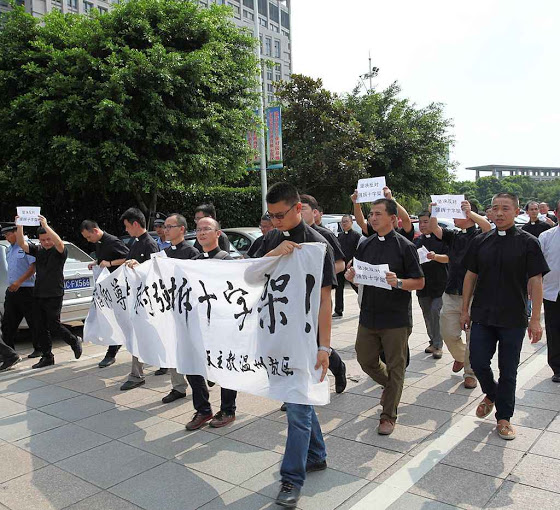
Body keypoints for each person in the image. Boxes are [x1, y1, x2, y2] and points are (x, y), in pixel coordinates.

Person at [253, 182, 335, 508]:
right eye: (270, 216)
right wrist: (272, 254)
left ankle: (291, 479)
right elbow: (248, 276)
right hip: (277, 337)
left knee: (296, 411)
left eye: (280, 215)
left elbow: (326, 300)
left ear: (298, 209)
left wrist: (324, 348)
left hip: (305, 341)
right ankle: (317, 454)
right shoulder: (271, 238)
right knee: (297, 397)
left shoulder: (317, 245)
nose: (274, 222)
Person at [461, 193, 549, 440]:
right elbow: (470, 276)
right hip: (482, 315)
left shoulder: (529, 242)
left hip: (513, 317)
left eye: (505, 208)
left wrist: (535, 320)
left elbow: (536, 281)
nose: (499, 213)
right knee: (478, 362)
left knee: (508, 370)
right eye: (495, 208)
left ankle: (503, 418)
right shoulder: (481, 241)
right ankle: (492, 392)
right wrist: (464, 309)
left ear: (516, 211)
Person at [345, 198, 424, 436]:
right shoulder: (365, 244)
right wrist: (351, 276)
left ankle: (388, 415)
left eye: (378, 213)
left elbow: (419, 282)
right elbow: (357, 274)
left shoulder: (405, 246)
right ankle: (391, 387)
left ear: (393, 219)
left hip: (396, 318)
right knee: (365, 359)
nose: (373, 217)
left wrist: (398, 282)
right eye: (371, 214)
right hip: (368, 314)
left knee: (396, 365)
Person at [178, 216, 239, 430]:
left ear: (217, 233)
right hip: (197, 324)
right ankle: (203, 409)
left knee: (224, 366)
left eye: (207, 229)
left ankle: (228, 409)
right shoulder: (193, 263)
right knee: (191, 365)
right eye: (199, 229)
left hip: (221, 325)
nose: (202, 232)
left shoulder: (226, 260)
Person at [429, 200, 492, 389]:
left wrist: (470, 212)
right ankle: (461, 357)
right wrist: (434, 211)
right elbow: (434, 228)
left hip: (475, 295)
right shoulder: (453, 235)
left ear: (467, 215)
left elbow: (488, 226)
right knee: (447, 333)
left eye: (457, 213)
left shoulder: (481, 235)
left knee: (473, 335)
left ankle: (470, 373)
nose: (453, 218)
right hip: (451, 292)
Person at [15, 215, 83, 369]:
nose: (46, 242)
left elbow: (58, 242)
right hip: (38, 293)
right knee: (39, 326)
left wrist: (46, 226)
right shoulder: (38, 250)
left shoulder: (59, 251)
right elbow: (21, 243)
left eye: (48, 239)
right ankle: (47, 356)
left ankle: (74, 340)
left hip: (54, 293)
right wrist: (19, 225)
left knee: (54, 325)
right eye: (43, 240)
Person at [300, 194, 347, 394]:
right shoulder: (287, 236)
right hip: (295, 302)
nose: (299, 213)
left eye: (303, 209)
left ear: (315, 212)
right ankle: (297, 389)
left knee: (318, 343)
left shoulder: (324, 236)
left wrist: (318, 279)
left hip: (317, 298)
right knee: (300, 343)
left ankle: (337, 367)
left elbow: (340, 264)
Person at [119, 207, 160, 390]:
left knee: (143, 335)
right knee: (142, 335)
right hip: (137, 298)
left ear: (135, 224)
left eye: (127, 226)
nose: (126, 230)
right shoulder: (135, 242)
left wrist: (139, 265)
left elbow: (155, 271)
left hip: (147, 300)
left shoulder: (149, 244)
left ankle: (137, 375)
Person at [80, 220, 129, 367]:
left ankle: (113, 351)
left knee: (122, 321)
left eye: (89, 237)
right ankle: (113, 349)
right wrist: (96, 262)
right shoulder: (100, 242)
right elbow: (105, 257)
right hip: (109, 289)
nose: (89, 240)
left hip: (120, 288)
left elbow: (127, 258)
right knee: (113, 320)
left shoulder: (112, 241)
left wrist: (110, 264)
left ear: (95, 230)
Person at [1, 224, 40, 358]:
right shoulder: (9, 249)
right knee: (7, 322)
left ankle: (39, 348)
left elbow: (33, 267)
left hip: (27, 289)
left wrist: (19, 282)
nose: (6, 238)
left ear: (16, 232)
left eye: (8, 235)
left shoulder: (26, 246)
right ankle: (8, 352)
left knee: (33, 320)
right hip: (12, 290)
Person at [414, 211, 448, 359]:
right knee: (427, 313)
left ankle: (438, 345)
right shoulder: (417, 241)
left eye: (426, 221)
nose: (422, 225)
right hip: (423, 284)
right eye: (420, 222)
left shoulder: (442, 240)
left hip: (441, 284)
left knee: (436, 311)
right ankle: (432, 341)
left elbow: (448, 258)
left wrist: (435, 257)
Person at [539, 200, 560, 382]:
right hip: (553, 291)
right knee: (554, 331)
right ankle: (557, 368)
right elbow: (538, 265)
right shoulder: (547, 236)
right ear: (557, 214)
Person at [334, 214, 361, 318]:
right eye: (342, 222)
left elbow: (359, 251)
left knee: (355, 286)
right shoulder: (339, 236)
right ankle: (338, 310)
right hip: (341, 265)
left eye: (346, 221)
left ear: (351, 222)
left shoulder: (356, 236)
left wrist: (352, 261)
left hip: (351, 266)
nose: (344, 223)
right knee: (339, 287)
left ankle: (365, 303)